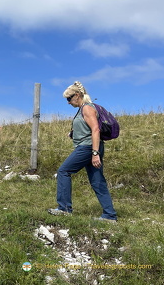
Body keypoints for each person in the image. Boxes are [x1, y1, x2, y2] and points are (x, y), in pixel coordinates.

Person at [48, 81, 117, 223]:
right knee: (98, 181)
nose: (68, 102)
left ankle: (64, 208)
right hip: (89, 147)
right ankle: (110, 216)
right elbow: (87, 128)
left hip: (87, 148)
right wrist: (74, 133)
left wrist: (95, 153)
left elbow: (95, 129)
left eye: (69, 98)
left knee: (63, 171)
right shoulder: (82, 109)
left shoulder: (87, 108)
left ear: (77, 95)